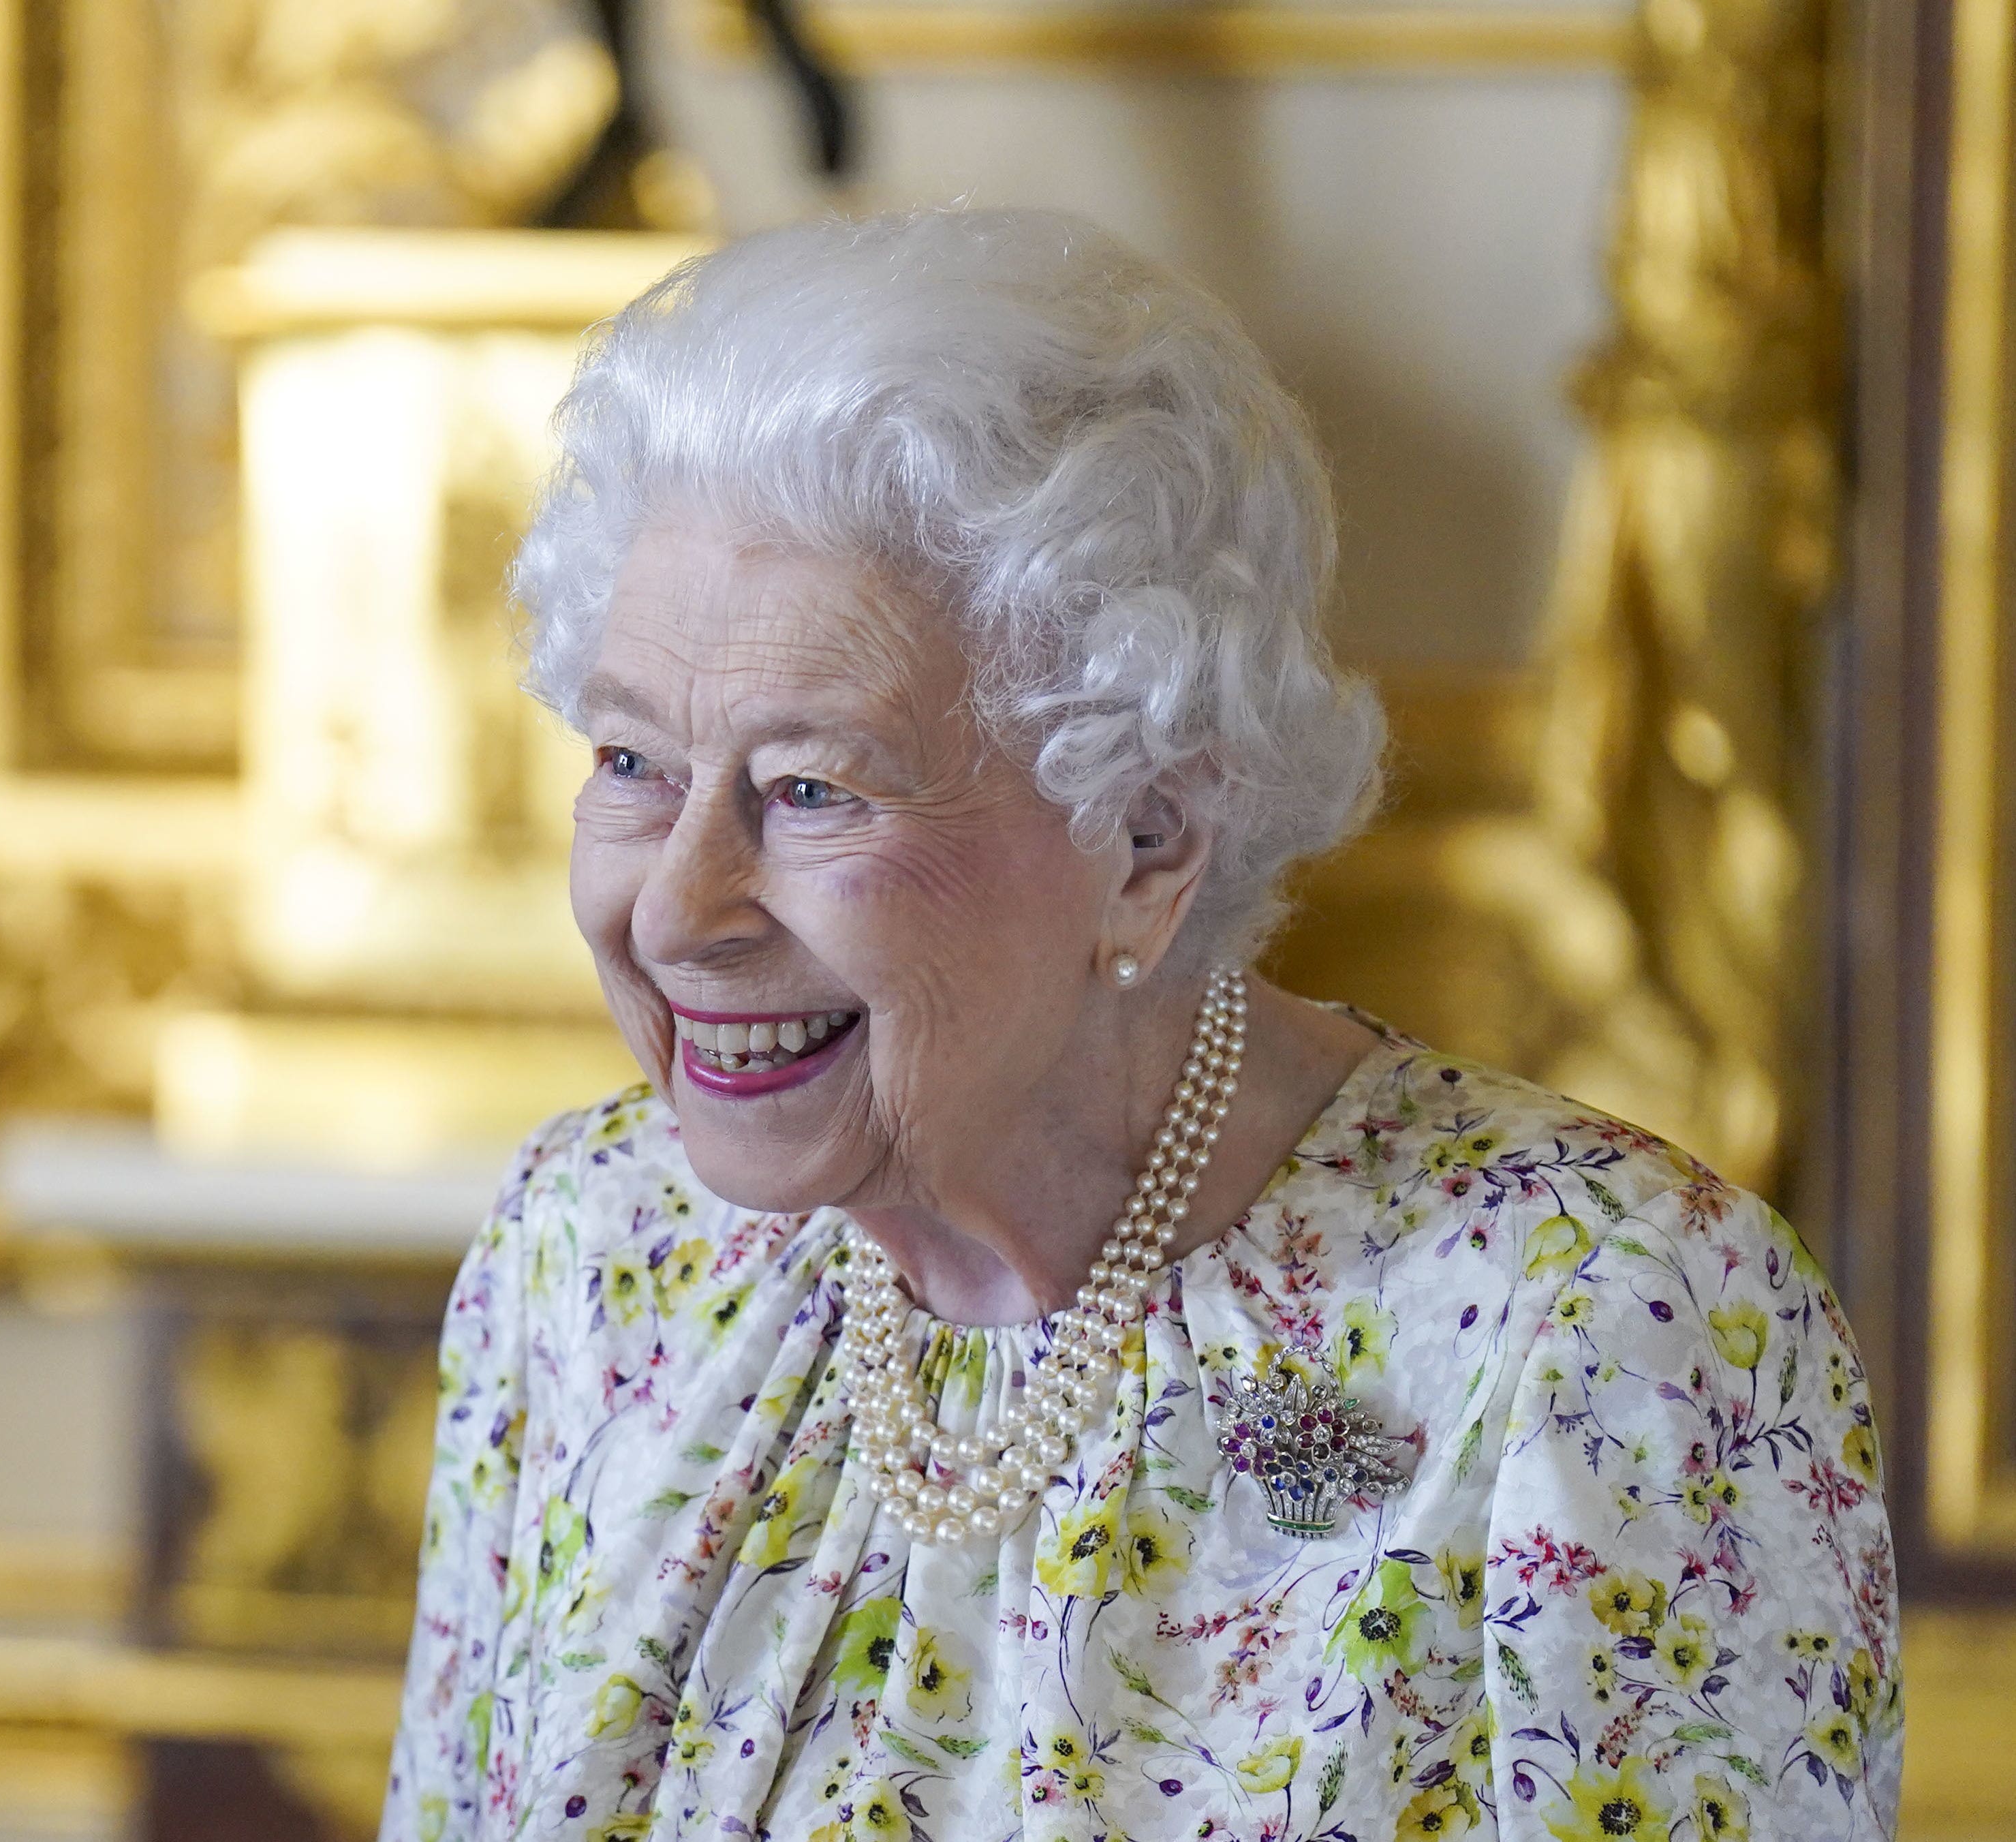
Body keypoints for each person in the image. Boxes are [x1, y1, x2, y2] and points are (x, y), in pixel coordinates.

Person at [380, 208, 1897, 1842]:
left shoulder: (1602, 1328)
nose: (676, 908)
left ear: (1145, 840)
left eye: (807, 789)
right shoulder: (592, 1255)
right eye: (630, 765)